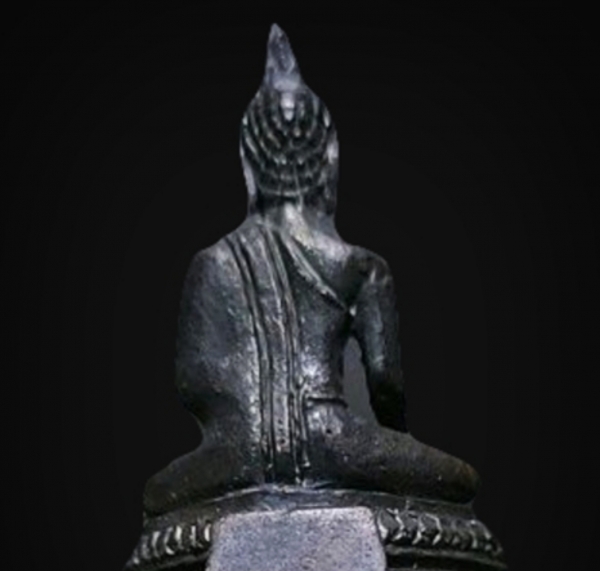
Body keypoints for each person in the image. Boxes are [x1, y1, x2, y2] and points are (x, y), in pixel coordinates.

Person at [143, 25, 479, 516]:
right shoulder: (359, 266)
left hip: (236, 455)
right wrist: (393, 441)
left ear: (248, 164)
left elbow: (196, 383)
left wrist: (252, 427)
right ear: (329, 159)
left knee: (160, 496)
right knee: (460, 479)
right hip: (333, 440)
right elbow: (385, 382)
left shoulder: (211, 264)